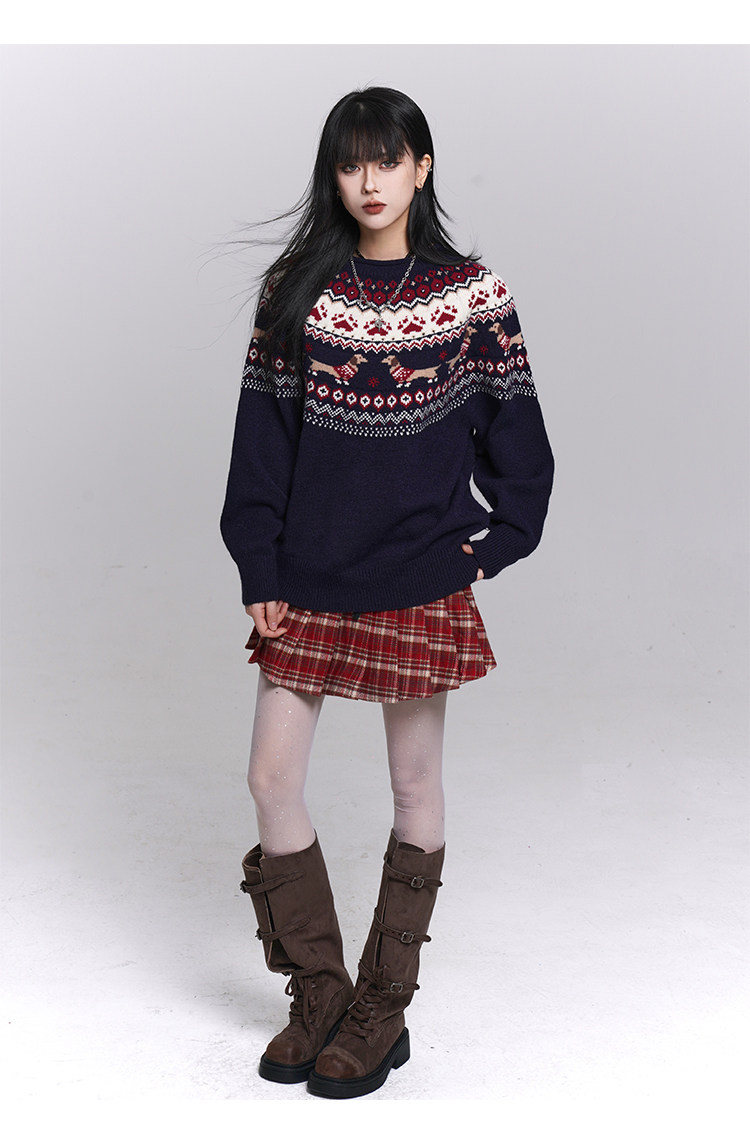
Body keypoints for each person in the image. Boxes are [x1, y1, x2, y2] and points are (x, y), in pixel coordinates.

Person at [220, 86, 554, 1099]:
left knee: (415, 787)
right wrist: (260, 563)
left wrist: (496, 544)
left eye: (387, 160)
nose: (369, 182)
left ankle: (383, 1006)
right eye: (350, 163)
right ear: (334, 175)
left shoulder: (470, 296)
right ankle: (321, 991)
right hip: (311, 577)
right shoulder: (297, 292)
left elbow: (519, 438)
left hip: (418, 578)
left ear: (421, 167)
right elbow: (261, 442)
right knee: (271, 777)